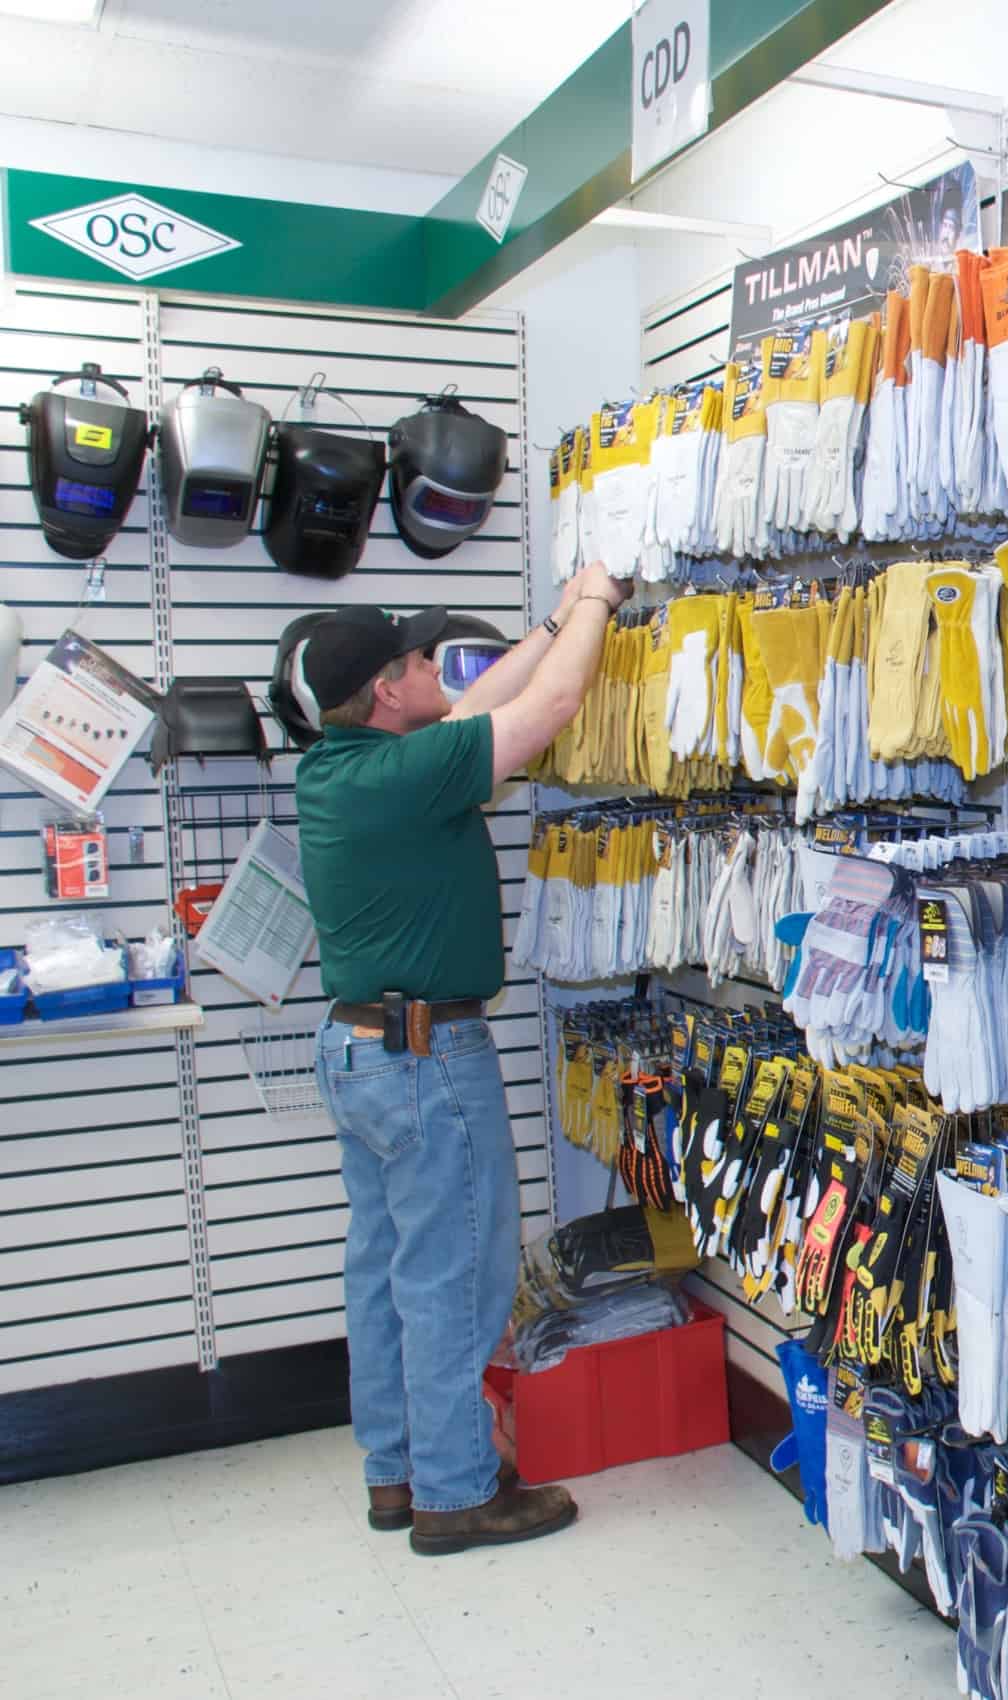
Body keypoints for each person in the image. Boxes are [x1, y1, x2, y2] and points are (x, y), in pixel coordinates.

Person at [289, 562, 629, 1556]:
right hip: (428, 1059)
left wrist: (552, 618)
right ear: (388, 689)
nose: (434, 662)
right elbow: (552, 702)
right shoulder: (408, 772)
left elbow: (479, 699)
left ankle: (397, 1473)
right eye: (414, 658)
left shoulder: (346, 764)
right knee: (455, 1278)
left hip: (361, 1052)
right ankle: (455, 1493)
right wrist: (601, 603)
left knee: (387, 1273)